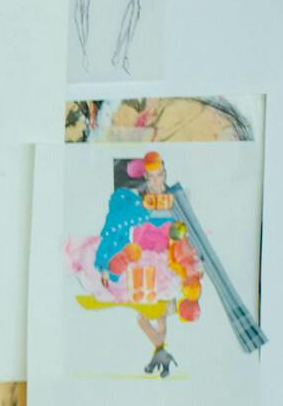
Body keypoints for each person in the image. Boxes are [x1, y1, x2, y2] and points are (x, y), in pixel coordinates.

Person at [65, 149, 202, 379]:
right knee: (142, 317)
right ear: (146, 179)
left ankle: (161, 354)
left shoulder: (174, 202)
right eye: (152, 177)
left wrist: (189, 264)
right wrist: (108, 264)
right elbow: (116, 233)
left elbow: (185, 236)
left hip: (165, 265)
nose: (157, 181)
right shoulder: (136, 205)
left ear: (165, 174)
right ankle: (161, 353)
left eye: (160, 175)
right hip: (140, 265)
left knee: (160, 314)